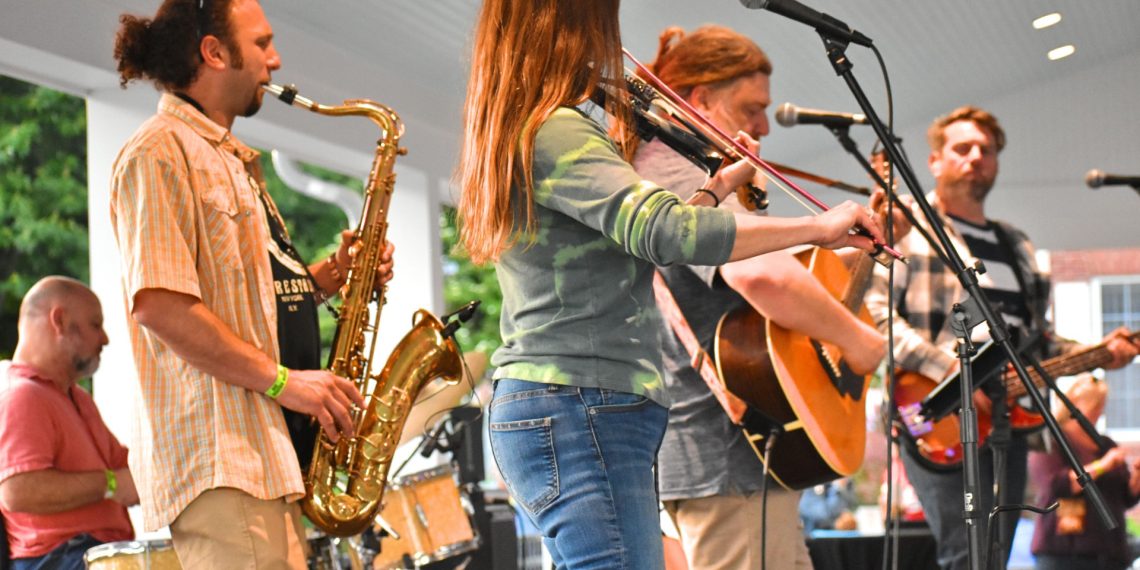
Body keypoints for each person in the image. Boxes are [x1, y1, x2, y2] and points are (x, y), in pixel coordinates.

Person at [456, 2, 886, 568]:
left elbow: (642, 242)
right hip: (580, 402)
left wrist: (714, 189)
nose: (609, 45)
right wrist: (819, 226)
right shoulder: (556, 128)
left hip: (579, 402)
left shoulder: (543, 127)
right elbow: (664, 231)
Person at [110, 0, 391, 566]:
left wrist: (337, 276)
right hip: (224, 459)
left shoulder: (233, 160)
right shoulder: (159, 151)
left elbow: (252, 303)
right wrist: (287, 382)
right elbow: (162, 307)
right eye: (261, 43)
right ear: (213, 52)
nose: (275, 59)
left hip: (268, 455)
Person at [627, 26, 890, 570]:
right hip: (723, 450)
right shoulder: (672, 169)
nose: (764, 126)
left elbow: (779, 276)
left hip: (738, 451)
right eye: (752, 108)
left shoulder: (696, 170)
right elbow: (762, 279)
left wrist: (862, 249)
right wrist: (855, 338)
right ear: (699, 99)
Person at [865, 105, 1140, 570]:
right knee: (967, 555)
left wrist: (1099, 353)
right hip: (937, 415)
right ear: (934, 160)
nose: (975, 157)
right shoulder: (910, 228)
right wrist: (950, 370)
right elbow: (874, 315)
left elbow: (1038, 339)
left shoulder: (1017, 244)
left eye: (986, 150)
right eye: (962, 148)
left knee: (993, 555)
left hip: (1011, 422)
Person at [0, 277, 138, 570]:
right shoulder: (22, 395)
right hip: (56, 558)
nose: (105, 338)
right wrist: (111, 484)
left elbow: (125, 467)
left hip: (86, 553)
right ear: (59, 321)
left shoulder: (76, 397)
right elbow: (17, 491)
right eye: (95, 324)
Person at [1030, 374, 1140, 570]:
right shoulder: (1051, 442)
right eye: (1095, 406)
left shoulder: (1105, 444)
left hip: (1109, 552)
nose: (1098, 412)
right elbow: (1057, 485)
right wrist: (1103, 465)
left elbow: (1125, 497)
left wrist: (1137, 476)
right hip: (1064, 552)